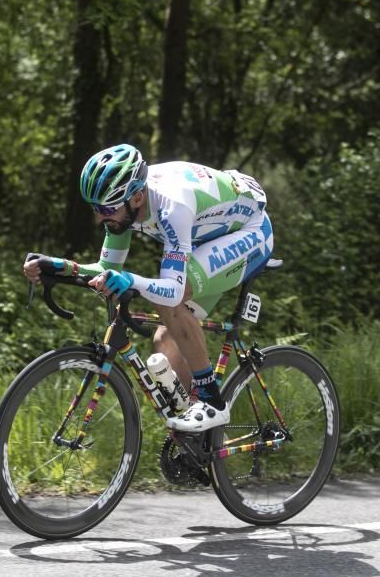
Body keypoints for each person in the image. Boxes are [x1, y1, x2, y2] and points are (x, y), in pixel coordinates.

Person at [23, 143, 274, 432]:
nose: (98, 218)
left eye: (105, 209)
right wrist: (58, 266)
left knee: (168, 303)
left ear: (138, 197)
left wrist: (132, 280)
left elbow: (173, 290)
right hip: (207, 238)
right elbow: (108, 269)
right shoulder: (124, 202)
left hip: (250, 231)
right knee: (166, 337)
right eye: (95, 208)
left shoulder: (172, 207)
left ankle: (212, 402)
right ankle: (195, 438)